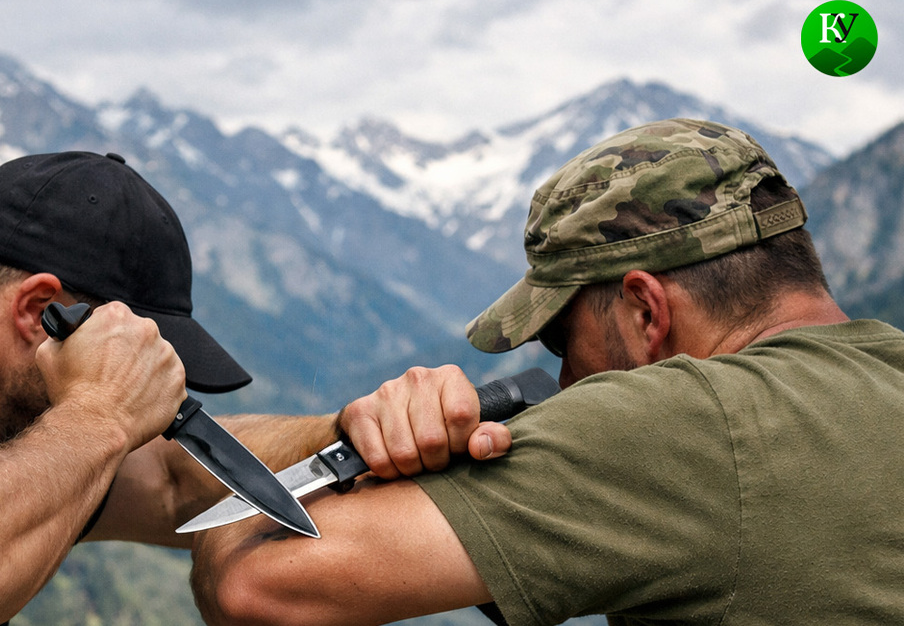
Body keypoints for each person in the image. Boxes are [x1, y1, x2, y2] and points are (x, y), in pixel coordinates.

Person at [0, 150, 500, 625]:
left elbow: (167, 480)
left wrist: (352, 426)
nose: (143, 401)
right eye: (136, 351)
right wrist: (101, 409)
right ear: (44, 313)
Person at [190, 118, 904, 625]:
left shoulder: (679, 420)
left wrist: (355, 448)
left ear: (645, 312)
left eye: (562, 342)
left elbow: (255, 590)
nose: (562, 384)